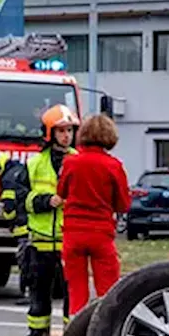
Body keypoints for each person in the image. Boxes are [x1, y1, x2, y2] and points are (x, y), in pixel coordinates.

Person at [59, 113, 130, 317]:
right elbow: (123, 204)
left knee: (76, 291)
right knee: (107, 291)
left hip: (73, 233)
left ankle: (75, 334)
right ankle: (102, 334)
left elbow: (61, 191)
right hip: (101, 233)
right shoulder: (113, 165)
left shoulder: (71, 162)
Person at [24, 104, 78, 336]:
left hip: (70, 240)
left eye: (70, 130)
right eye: (61, 131)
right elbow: (22, 199)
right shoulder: (34, 163)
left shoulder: (79, 161)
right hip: (42, 241)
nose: (66, 136)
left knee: (72, 294)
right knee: (39, 292)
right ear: (49, 133)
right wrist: (47, 201)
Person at [0, 152, 32, 305]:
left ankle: (27, 293)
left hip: (22, 226)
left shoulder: (7, 178)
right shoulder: (22, 169)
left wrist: (10, 220)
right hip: (36, 222)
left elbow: (9, 208)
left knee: (25, 260)